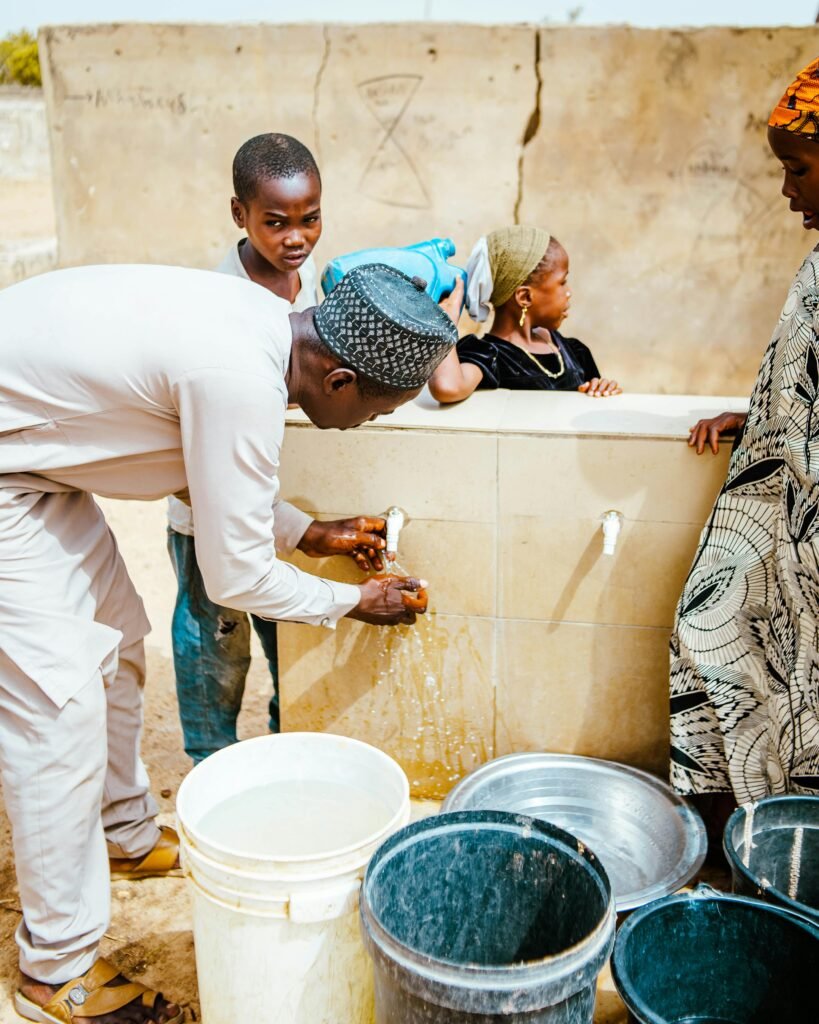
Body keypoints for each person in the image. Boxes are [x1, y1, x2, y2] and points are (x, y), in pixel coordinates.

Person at [0, 261, 459, 1023]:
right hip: (7, 477)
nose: (369, 425)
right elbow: (236, 579)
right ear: (340, 379)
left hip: (34, 463)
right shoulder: (240, 377)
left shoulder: (262, 327)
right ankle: (56, 969)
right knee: (59, 708)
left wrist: (305, 531)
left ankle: (120, 834)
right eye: (377, 411)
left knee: (114, 644)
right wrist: (351, 602)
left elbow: (199, 464)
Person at [670, 56, 819, 851]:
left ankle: (769, 854)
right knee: (708, 636)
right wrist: (759, 409)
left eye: (796, 168)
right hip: (779, 531)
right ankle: (742, 843)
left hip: (805, 548)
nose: (787, 188)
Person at [167, 133, 324, 763]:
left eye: (310, 220)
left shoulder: (308, 279)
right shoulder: (216, 302)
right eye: (276, 223)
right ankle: (212, 761)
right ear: (241, 216)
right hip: (209, 503)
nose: (296, 238)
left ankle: (289, 748)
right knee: (216, 639)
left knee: (286, 630)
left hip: (279, 494)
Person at [428, 225, 621, 403]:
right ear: (525, 297)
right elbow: (447, 387)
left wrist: (602, 389)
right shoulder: (489, 356)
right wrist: (444, 321)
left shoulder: (575, 352)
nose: (569, 292)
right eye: (562, 282)